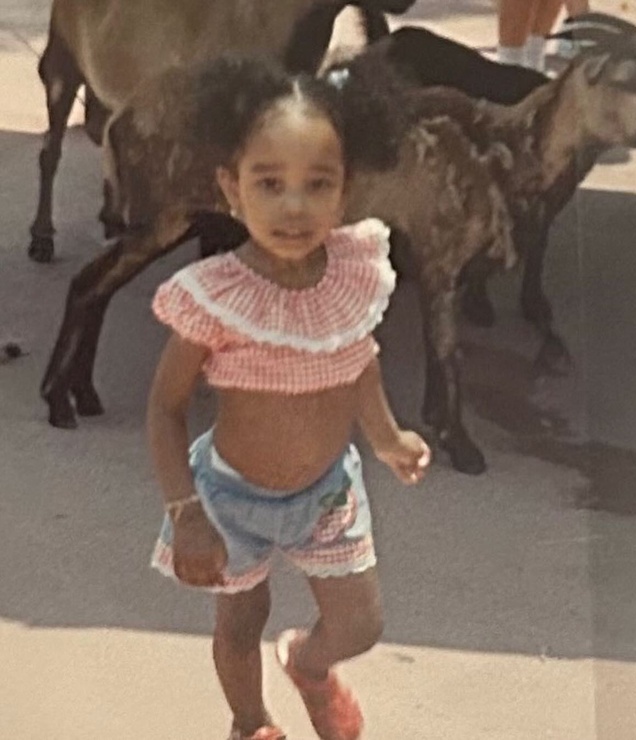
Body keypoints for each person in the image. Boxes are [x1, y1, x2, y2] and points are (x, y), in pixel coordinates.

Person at [146, 57, 431, 740]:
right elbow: (165, 408)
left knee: (360, 624)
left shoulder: (354, 276)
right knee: (240, 623)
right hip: (230, 499)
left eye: (317, 184)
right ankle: (250, 722)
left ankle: (309, 663)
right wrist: (186, 512)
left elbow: (357, 360)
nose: (294, 207)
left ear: (346, 190)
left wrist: (387, 437)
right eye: (269, 184)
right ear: (232, 187)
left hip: (326, 496)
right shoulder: (217, 297)